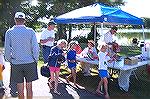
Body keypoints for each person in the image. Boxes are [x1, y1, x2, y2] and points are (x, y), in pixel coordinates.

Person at [4, 12, 39, 99]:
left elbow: (7, 50)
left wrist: (10, 60)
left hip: (16, 63)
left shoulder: (9, 32)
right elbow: (35, 48)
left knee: (19, 88)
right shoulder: (31, 31)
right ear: (24, 20)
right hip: (30, 62)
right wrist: (36, 59)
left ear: (15, 20)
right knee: (29, 87)